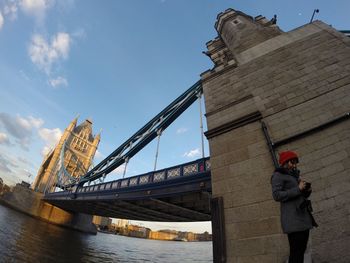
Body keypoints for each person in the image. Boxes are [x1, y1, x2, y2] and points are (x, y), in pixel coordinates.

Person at [271, 150, 317, 263]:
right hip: (293, 219)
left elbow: (298, 195)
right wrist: (298, 188)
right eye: (292, 162)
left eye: (296, 162)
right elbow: (277, 195)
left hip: (303, 217)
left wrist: (306, 191)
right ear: (285, 162)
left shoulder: (294, 176)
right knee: (296, 253)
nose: (295, 165)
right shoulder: (278, 175)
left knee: (301, 251)